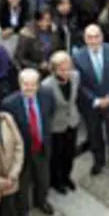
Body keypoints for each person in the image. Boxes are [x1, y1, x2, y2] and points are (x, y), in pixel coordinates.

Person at [72, 24, 109, 186]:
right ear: (85, 39)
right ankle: (99, 161)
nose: (94, 40)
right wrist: (95, 100)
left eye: (97, 36)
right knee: (94, 135)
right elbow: (80, 84)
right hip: (91, 104)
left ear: (102, 37)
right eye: (90, 37)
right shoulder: (78, 57)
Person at [1, 69, 56, 216]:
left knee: (43, 179)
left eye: (33, 84)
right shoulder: (8, 104)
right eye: (25, 84)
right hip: (22, 153)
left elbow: (49, 115)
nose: (29, 88)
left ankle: (41, 202)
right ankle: (23, 211)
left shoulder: (47, 95)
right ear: (19, 84)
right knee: (23, 184)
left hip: (42, 147)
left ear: (38, 84)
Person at [42, 51, 81, 194]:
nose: (66, 72)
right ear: (54, 69)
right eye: (62, 69)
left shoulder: (76, 77)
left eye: (68, 68)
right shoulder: (47, 85)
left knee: (70, 153)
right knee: (57, 155)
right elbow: (47, 109)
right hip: (56, 125)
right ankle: (57, 181)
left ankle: (66, 176)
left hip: (72, 121)